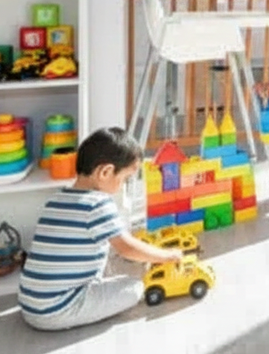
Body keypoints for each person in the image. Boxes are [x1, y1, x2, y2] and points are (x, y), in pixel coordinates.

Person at [19, 127, 181, 331]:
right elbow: (126, 248)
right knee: (134, 287)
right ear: (105, 172)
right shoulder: (98, 203)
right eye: (124, 179)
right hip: (58, 310)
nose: (123, 185)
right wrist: (167, 256)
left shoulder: (55, 199)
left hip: (29, 304)